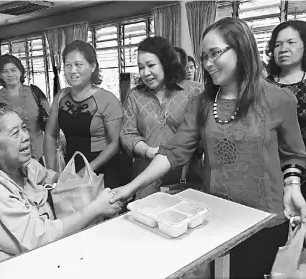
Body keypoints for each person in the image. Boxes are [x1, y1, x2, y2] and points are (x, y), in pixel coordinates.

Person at [111, 17, 306, 279]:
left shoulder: (277, 98)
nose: (208, 64)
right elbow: (173, 152)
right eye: (204, 57)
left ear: (241, 48)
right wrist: (129, 188)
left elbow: (293, 152)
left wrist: (293, 185)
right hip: (217, 217)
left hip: (266, 218)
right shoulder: (201, 104)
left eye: (215, 54)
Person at [0, 102, 122, 279]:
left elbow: (50, 177)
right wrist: (96, 208)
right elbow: (39, 237)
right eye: (15, 133)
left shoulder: (24, 166)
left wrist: (79, 184)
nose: (26, 137)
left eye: (24, 128)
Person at [120, 37, 203, 199]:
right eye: (140, 67)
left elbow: (203, 132)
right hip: (147, 177)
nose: (145, 73)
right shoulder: (135, 96)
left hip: (186, 176)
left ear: (166, 63)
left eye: (151, 65)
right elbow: (127, 134)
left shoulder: (193, 91)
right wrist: (148, 151)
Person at [44, 40, 124, 189]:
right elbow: (50, 135)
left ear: (93, 66)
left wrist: (85, 171)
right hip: (72, 164)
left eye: (78, 65)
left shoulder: (108, 99)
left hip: (102, 167)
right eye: (68, 65)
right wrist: (50, 172)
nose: (73, 70)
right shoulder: (61, 97)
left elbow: (114, 144)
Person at [0, 54, 50, 161]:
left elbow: (51, 119)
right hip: (12, 156)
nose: (10, 74)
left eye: (13, 70)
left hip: (41, 152)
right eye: (5, 71)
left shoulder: (34, 92)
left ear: (20, 72)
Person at [266, 20, 306, 144]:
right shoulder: (262, 86)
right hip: (270, 158)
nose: (283, 49)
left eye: (291, 42)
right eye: (278, 44)